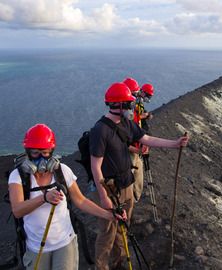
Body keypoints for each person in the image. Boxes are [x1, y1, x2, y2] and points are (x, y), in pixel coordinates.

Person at [90, 82, 189, 270]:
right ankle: (102, 267)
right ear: (117, 105)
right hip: (110, 190)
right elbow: (96, 166)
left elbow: (146, 139)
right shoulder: (100, 131)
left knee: (123, 229)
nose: (131, 107)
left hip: (126, 184)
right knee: (107, 234)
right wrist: (104, 197)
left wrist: (175, 143)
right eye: (127, 104)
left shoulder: (126, 123)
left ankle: (120, 262)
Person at [8, 124, 126, 270]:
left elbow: (81, 200)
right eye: (35, 153)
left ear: (51, 152)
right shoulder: (18, 176)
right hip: (36, 248)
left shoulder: (62, 171)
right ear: (27, 152)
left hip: (65, 244)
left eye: (45, 153)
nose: (40, 158)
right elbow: (18, 210)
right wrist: (44, 198)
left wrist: (109, 215)